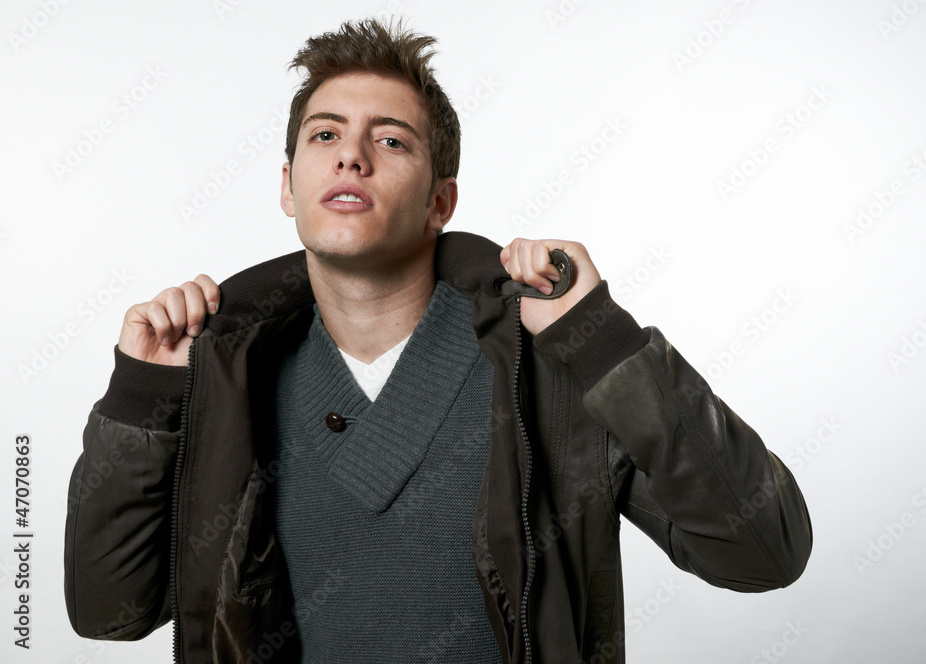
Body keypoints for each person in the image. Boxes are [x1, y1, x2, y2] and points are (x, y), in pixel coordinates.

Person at [63, 17, 812, 663]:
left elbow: (763, 551)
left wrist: (602, 340)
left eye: (390, 140)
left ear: (439, 202)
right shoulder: (225, 378)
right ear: (289, 185)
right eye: (326, 135)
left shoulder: (550, 366)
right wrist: (144, 397)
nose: (352, 155)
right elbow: (108, 613)